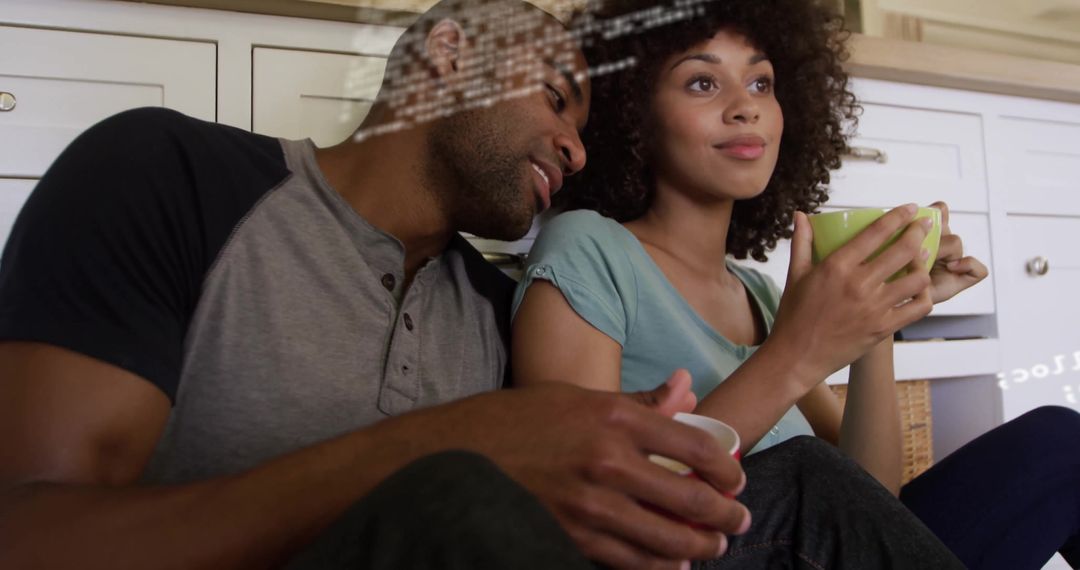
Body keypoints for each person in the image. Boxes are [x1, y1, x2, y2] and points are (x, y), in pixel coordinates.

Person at [0, 0, 966, 568]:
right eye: (555, 99)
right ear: (452, 53)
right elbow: (27, 533)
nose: (575, 147)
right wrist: (452, 444)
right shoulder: (171, 175)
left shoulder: (489, 309)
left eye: (585, 125)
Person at [512, 0, 1080, 568]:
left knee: (1061, 442)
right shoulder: (590, 246)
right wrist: (798, 353)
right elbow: (589, 499)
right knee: (807, 467)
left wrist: (880, 314)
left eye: (761, 83)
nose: (746, 107)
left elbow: (872, 503)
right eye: (703, 82)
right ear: (633, 113)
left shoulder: (761, 294)